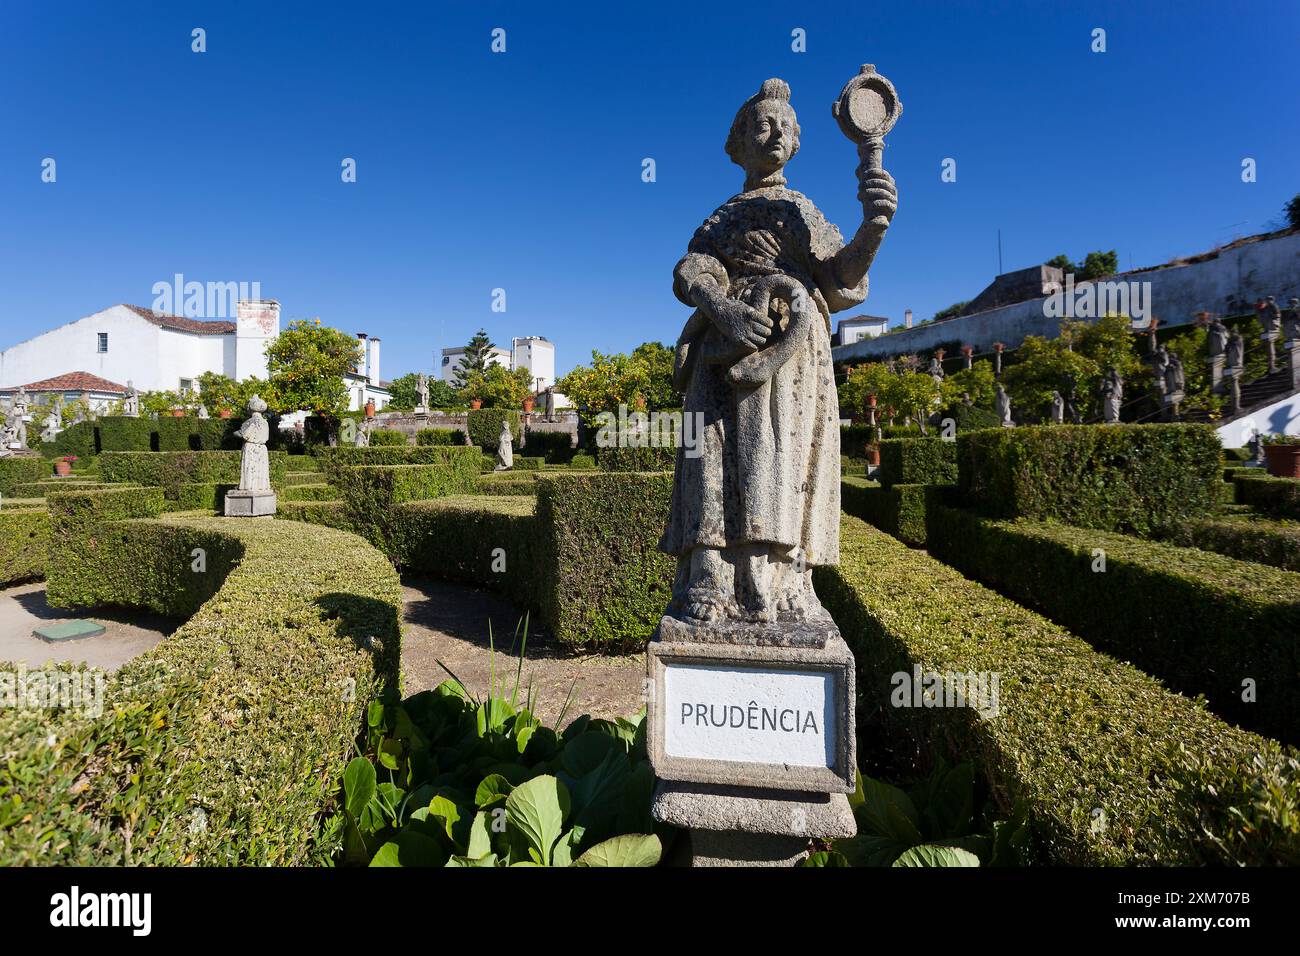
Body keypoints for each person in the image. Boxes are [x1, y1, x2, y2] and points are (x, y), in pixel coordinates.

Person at [662, 77, 897, 623]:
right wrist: (720, 307)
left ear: (795, 143)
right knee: (712, 454)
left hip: (793, 354)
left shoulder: (801, 212)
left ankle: (780, 576)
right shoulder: (725, 216)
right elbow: (691, 271)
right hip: (726, 346)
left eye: (785, 128)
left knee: (782, 458)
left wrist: (874, 228)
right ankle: (709, 569)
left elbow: (840, 277)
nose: (775, 134)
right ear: (738, 144)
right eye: (762, 125)